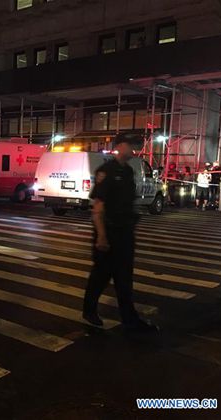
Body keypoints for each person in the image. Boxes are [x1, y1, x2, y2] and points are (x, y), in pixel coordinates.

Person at [82, 134, 158, 332]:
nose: (134, 149)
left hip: (125, 232)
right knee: (101, 275)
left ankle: (129, 318)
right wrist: (101, 236)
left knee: (124, 277)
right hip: (109, 232)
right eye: (131, 145)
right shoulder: (106, 171)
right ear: (120, 147)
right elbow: (98, 207)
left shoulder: (128, 172)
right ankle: (89, 310)